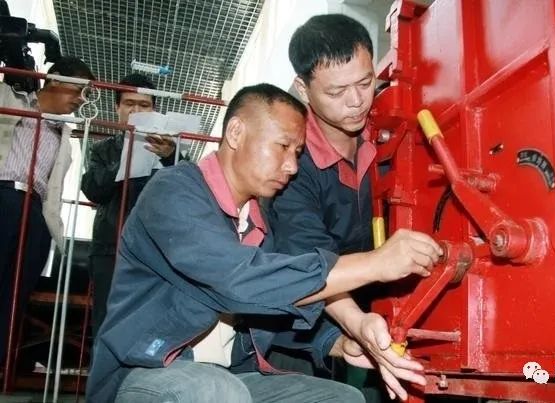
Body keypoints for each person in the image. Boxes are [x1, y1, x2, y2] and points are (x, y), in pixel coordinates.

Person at [86, 83, 442, 403]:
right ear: (236, 132)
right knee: (216, 390)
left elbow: (270, 305)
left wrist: (338, 341)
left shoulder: (260, 223)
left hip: (231, 379)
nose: (292, 166)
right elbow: (240, 281)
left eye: (298, 152)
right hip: (147, 373)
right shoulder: (173, 191)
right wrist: (375, 263)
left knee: (342, 398)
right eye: (283, 146)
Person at [266, 14, 391, 401]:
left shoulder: (386, 130)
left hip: (371, 297)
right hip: (296, 317)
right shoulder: (290, 162)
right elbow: (308, 263)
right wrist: (356, 320)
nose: (356, 102)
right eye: (337, 92)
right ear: (303, 89)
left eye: (365, 83)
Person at [0, 56, 95, 364]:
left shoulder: (64, 135)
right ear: (54, 79)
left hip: (36, 213)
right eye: (78, 90)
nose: (81, 100)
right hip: (4, 195)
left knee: (14, 298)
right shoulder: (11, 99)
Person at [81, 73, 179, 339]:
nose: (136, 111)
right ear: (117, 108)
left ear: (154, 111)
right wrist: (127, 157)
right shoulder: (103, 149)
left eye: (144, 105)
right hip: (110, 248)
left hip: (157, 251)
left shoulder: (170, 149)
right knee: (106, 322)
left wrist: (171, 157)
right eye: (128, 104)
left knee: (149, 325)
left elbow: (189, 189)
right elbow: (93, 189)